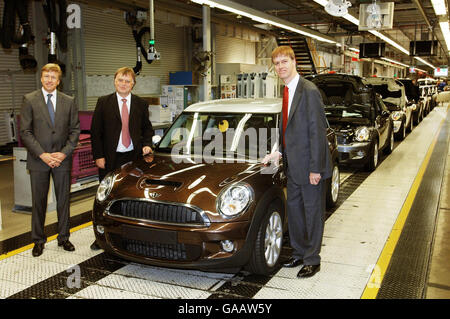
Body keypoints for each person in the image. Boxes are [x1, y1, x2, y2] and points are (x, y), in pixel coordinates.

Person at [263, 46, 332, 278]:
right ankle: (300, 252)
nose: (280, 66)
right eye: (277, 63)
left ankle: (313, 259)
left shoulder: (308, 91)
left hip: (309, 167)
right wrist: (279, 152)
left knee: (312, 213)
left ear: (294, 63)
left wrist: (315, 169)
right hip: (293, 166)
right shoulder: (286, 91)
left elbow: (317, 133)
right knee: (295, 212)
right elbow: (291, 130)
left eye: (285, 61)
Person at [89, 67, 154, 250]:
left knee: (132, 195)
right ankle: (101, 235)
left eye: (127, 81)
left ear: (133, 83)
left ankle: (132, 233)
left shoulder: (141, 104)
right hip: (110, 158)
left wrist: (147, 143)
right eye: (120, 80)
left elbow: (147, 129)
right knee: (105, 197)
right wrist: (98, 156)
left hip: (133, 157)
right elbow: (96, 133)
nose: (123, 84)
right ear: (114, 81)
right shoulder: (104, 102)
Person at [20, 63, 80, 257]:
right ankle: (38, 240)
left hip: (62, 159)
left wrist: (63, 153)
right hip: (39, 160)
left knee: (63, 200)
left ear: (59, 80)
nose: (49, 80)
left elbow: (75, 131)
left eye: (53, 77)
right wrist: (43, 154)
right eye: (46, 76)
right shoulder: (29, 100)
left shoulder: (69, 101)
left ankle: (63, 237)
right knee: (39, 202)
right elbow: (25, 132)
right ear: (41, 78)